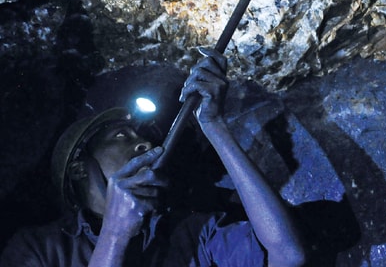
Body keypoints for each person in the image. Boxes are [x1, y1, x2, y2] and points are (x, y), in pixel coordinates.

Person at [0, 48, 306, 267]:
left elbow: (288, 255)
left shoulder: (187, 233)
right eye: (121, 136)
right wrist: (115, 234)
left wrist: (214, 125)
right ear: (79, 167)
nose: (144, 144)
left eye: (141, 136)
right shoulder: (38, 249)